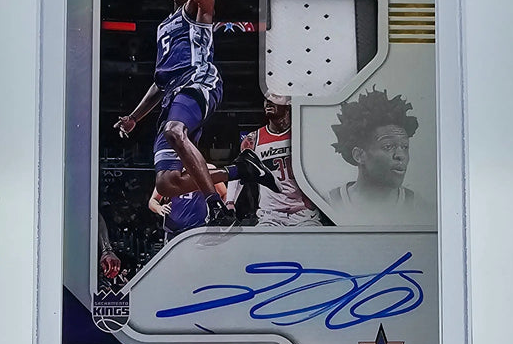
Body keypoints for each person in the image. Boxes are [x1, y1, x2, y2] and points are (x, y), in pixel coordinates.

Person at [114, 0, 273, 227]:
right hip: (172, 93)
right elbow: (159, 83)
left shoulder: (198, 8)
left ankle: (216, 206)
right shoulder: (164, 25)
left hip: (199, 82)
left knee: (175, 131)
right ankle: (241, 169)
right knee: (166, 183)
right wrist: (133, 118)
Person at [328, 87, 425, 223]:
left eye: (405, 147)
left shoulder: (420, 208)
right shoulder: (328, 204)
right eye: (388, 146)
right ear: (359, 155)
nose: (400, 155)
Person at [226, 94, 322, 227]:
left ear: (288, 104)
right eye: (266, 98)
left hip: (304, 213)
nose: (269, 101)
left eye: (276, 97)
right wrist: (230, 202)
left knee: (316, 239)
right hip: (270, 214)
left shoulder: (303, 134)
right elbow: (240, 171)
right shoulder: (253, 139)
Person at [149, 164, 228, 243]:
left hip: (200, 229)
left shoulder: (206, 169)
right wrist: (159, 208)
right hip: (174, 231)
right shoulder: (168, 173)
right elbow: (153, 201)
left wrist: (220, 212)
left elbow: (224, 194)